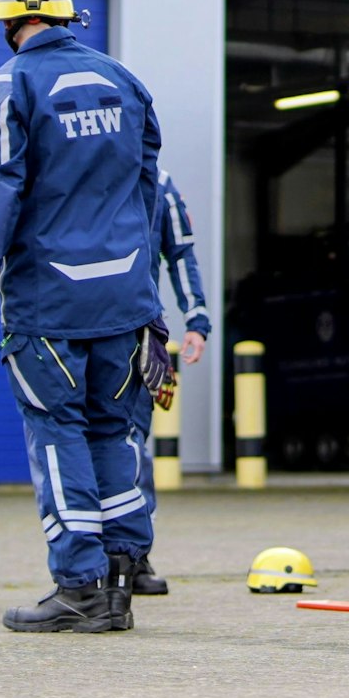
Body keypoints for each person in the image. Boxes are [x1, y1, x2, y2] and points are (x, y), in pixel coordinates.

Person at [0, 0, 171, 634]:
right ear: (68, 15)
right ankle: (121, 577)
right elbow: (147, 193)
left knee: (58, 432)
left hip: (50, 304)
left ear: (11, 21)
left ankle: (78, 586)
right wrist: (149, 298)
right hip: (127, 300)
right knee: (114, 429)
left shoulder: (10, 85)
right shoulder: (125, 82)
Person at [129, 167, 213, 596]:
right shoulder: (74, 170)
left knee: (130, 446)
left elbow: (180, 252)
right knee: (78, 443)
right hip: (73, 330)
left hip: (135, 331)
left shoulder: (158, 182)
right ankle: (85, 565)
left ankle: (132, 557)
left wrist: (196, 319)